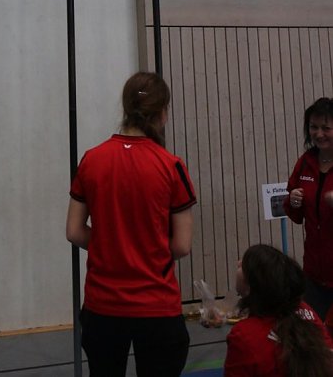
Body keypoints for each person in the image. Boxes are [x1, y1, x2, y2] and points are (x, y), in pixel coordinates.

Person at [66, 71, 196, 377]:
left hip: (102, 305)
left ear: (126, 108)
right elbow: (181, 245)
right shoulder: (170, 166)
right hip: (156, 306)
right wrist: (145, 251)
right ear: (163, 113)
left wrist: (110, 247)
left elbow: (74, 231)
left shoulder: (91, 160)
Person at [224, 244, 333, 376]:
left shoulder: (243, 336)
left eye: (243, 265)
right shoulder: (306, 311)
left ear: (251, 285)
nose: (238, 263)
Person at [284, 97, 333, 322]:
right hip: (314, 273)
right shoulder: (305, 162)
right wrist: (293, 201)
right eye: (314, 127)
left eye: (326, 128)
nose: (319, 134)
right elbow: (295, 214)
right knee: (311, 337)